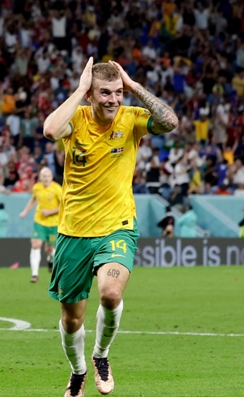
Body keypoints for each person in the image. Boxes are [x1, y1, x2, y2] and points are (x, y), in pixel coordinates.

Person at [43, 58, 178, 397]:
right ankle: (78, 371)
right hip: (73, 232)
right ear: (91, 94)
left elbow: (170, 121)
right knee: (72, 319)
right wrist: (78, 90)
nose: (112, 100)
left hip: (117, 227)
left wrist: (134, 88)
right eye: (105, 93)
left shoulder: (131, 118)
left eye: (117, 93)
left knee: (110, 293)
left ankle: (101, 355)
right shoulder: (77, 118)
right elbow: (49, 130)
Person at [19, 167, 62, 283]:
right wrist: (25, 211)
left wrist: (50, 211)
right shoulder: (37, 187)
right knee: (35, 244)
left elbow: (64, 205)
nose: (46, 178)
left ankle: (50, 260)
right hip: (39, 221)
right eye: (44, 176)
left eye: (48, 176)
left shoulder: (57, 189)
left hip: (53, 223)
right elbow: (33, 199)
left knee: (50, 249)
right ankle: (34, 275)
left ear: (52, 177)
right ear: (40, 177)